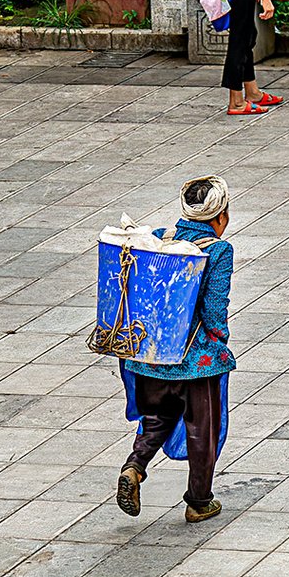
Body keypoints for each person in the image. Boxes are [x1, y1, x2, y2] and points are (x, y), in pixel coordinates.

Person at [116, 176, 237, 524]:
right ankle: (199, 502)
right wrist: (218, 341)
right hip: (195, 360)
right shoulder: (217, 251)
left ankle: (135, 467)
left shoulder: (158, 239)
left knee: (158, 417)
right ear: (220, 217)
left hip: (150, 355)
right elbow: (215, 307)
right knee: (202, 428)